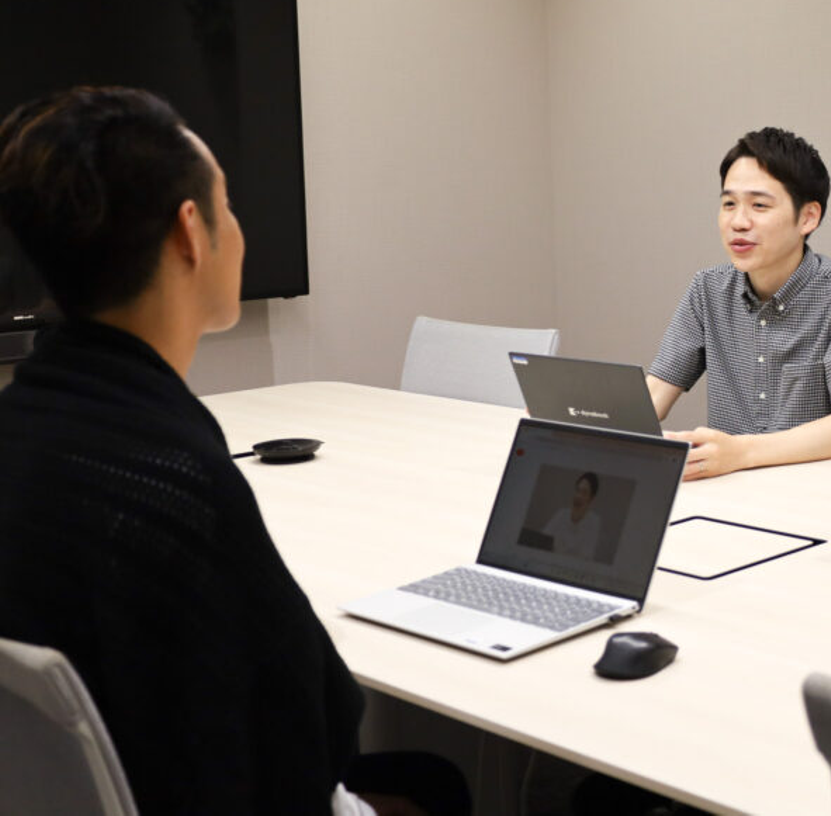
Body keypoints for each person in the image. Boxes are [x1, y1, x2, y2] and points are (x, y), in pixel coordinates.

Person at [0, 87, 466, 815]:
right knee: (434, 785)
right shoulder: (173, 476)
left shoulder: (29, 421)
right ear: (191, 232)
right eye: (229, 205)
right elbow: (317, 728)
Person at [647, 127, 831, 481]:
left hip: (814, 489)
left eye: (759, 205)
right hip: (727, 488)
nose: (738, 222)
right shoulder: (708, 289)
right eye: (729, 204)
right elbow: (654, 396)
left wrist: (740, 453)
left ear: (808, 217)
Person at [542, 471, 603, 558]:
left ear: (591, 498)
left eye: (584, 492)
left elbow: (586, 556)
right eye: (578, 490)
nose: (578, 496)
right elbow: (543, 541)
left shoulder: (594, 521)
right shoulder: (561, 514)